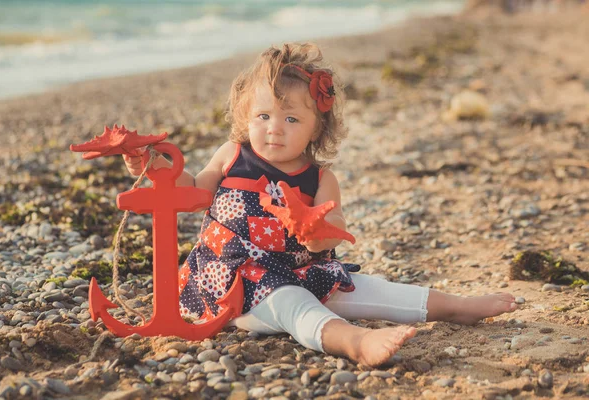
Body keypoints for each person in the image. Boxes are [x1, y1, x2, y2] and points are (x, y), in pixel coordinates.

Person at [123, 43, 518, 367]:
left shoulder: (320, 179)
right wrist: (155, 165)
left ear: (318, 127)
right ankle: (355, 342)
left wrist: (315, 235)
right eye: (264, 115)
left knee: (371, 288)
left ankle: (457, 307)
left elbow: (334, 227)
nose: (274, 127)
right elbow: (193, 193)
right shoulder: (231, 155)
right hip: (235, 281)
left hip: (304, 270)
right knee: (294, 305)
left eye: (291, 119)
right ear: (247, 115)